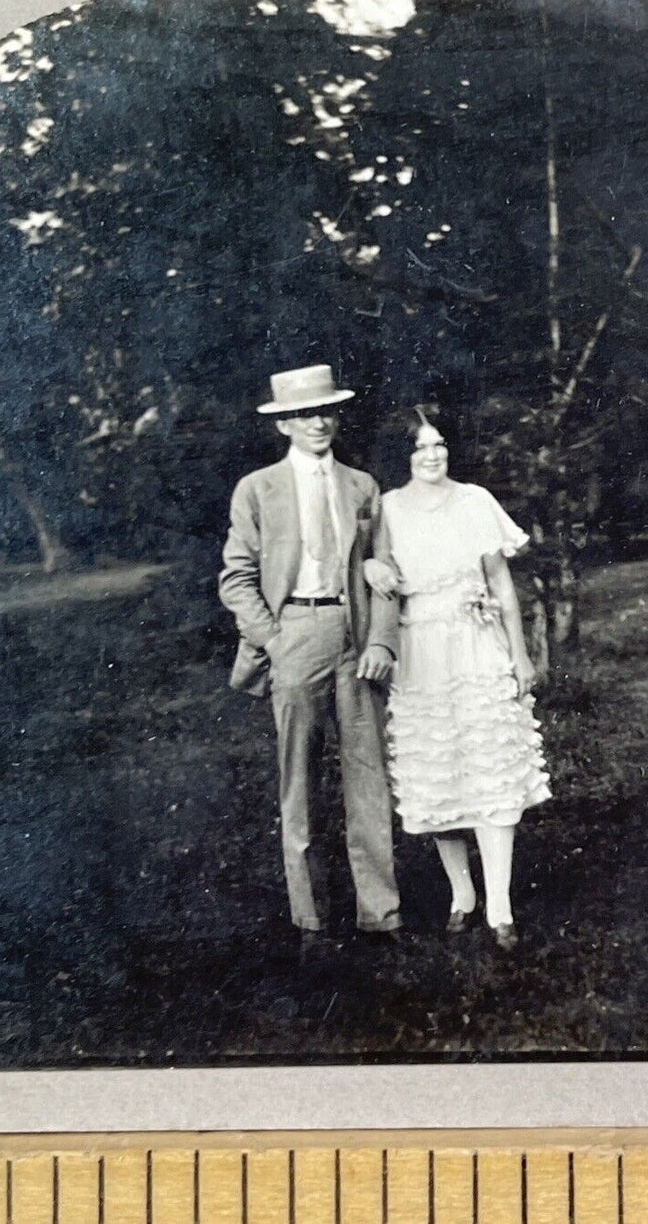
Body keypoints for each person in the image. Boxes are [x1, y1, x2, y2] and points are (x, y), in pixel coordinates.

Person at [218, 364, 402, 948]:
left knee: (369, 775)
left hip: (356, 633)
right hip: (293, 630)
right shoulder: (258, 488)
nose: (317, 422)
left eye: (325, 411)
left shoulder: (362, 486)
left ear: (336, 417)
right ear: (283, 426)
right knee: (298, 779)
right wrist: (273, 640)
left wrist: (380, 641)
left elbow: (387, 573)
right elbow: (236, 578)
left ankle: (381, 912)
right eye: (303, 414)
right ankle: (311, 918)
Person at [366, 407, 551, 951]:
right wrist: (364, 569)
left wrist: (519, 655)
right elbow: (360, 568)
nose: (432, 454)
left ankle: (500, 905)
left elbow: (502, 583)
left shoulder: (474, 501)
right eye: (420, 447)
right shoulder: (386, 511)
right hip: (419, 652)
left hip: (476, 646)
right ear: (402, 456)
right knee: (439, 775)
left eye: (439, 444)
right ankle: (461, 895)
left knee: (490, 768)